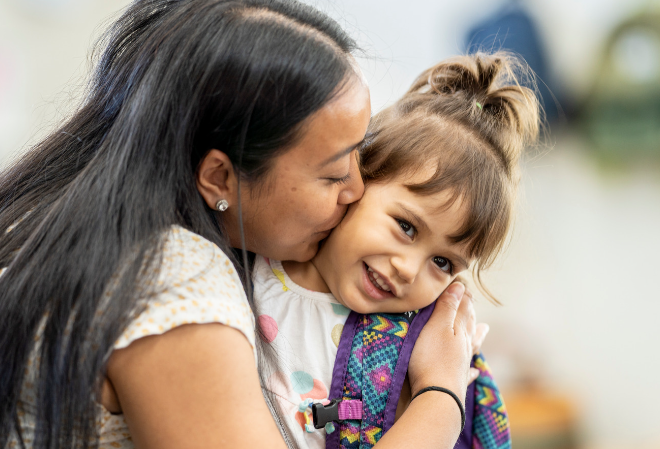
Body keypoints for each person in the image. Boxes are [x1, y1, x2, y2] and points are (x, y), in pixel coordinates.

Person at [0, 1, 478, 448]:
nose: (356, 189)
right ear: (219, 178)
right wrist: (442, 392)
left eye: (361, 153)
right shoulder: (175, 280)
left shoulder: (61, 218)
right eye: (333, 172)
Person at [253, 52, 539, 448]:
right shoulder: (248, 261)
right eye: (406, 227)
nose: (407, 269)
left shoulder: (421, 352)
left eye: (442, 262)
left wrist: (436, 392)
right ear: (357, 177)